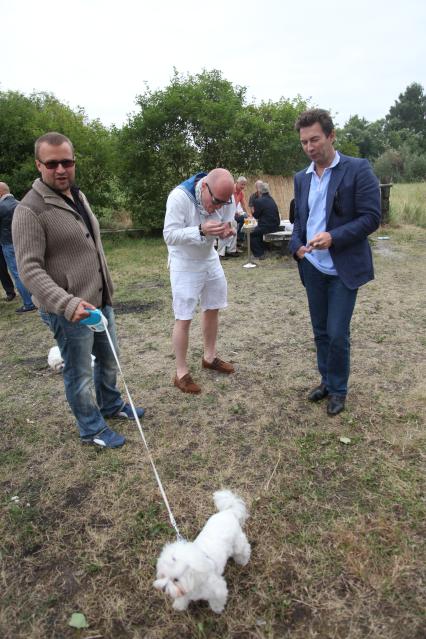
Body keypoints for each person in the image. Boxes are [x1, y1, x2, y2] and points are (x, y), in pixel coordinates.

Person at [12, 132, 144, 448]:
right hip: (69, 311)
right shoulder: (29, 210)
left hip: (100, 301)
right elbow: (29, 270)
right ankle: (92, 429)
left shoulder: (77, 195)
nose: (61, 169)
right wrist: (67, 304)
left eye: (67, 162)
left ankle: (111, 406)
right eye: (52, 163)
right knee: (80, 374)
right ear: (38, 164)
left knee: (110, 360)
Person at [289, 109, 381, 416]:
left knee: (338, 331)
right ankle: (327, 380)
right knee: (320, 331)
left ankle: (339, 389)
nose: (309, 147)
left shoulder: (357, 169)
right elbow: (299, 219)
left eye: (315, 139)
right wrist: (296, 247)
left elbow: (371, 218)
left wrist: (334, 236)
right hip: (313, 267)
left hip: (343, 267)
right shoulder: (301, 178)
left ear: (331, 135)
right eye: (304, 142)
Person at [163, 168, 236, 394]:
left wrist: (226, 232)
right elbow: (170, 235)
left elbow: (229, 222)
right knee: (184, 316)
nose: (219, 207)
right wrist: (200, 230)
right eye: (216, 201)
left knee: (213, 306)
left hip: (209, 258)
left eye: (224, 202)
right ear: (204, 186)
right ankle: (181, 373)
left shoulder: (226, 198)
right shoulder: (179, 197)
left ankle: (209, 357)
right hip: (183, 261)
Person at [0, 182, 36, 312]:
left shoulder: (1, 206)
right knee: (29, 270)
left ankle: (28, 303)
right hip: (22, 241)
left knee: (17, 273)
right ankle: (35, 298)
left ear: (1, 192)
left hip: (8, 244)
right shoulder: (19, 203)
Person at [217, 175, 247, 259]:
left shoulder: (240, 193)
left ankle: (231, 250)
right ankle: (220, 253)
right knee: (224, 229)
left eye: (244, 185)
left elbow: (243, 204)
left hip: (232, 215)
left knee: (234, 227)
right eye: (242, 184)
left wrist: (249, 215)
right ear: (236, 183)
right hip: (223, 214)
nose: (243, 187)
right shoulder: (229, 191)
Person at [250, 182, 280, 259]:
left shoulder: (258, 201)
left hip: (266, 227)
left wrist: (253, 212)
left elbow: (256, 215)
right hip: (276, 226)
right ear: (268, 191)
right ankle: (265, 250)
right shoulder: (271, 199)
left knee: (251, 234)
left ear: (260, 191)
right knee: (258, 232)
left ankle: (259, 254)